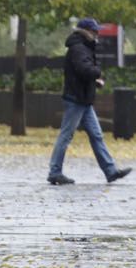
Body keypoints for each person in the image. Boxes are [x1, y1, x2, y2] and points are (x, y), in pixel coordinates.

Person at [46, 17, 131, 186]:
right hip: (76, 99)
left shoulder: (82, 47)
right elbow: (84, 69)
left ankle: (110, 171)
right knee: (66, 136)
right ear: (86, 31)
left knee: (96, 135)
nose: (97, 34)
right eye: (95, 31)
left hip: (83, 99)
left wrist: (94, 80)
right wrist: (97, 73)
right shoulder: (79, 48)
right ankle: (55, 172)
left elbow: (82, 72)